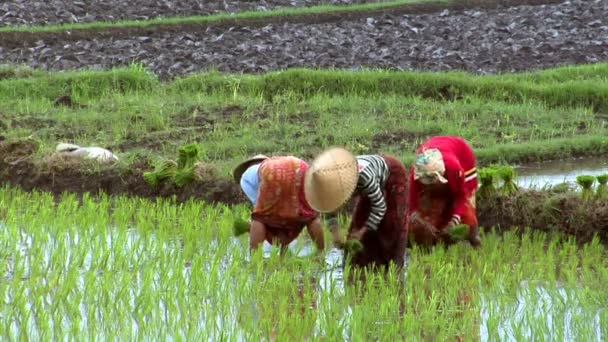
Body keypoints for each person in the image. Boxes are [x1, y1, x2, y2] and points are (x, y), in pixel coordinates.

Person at [304, 147, 408, 271]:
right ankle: (358, 266)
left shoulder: (364, 176)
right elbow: (329, 210)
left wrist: (362, 232)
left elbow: (379, 206)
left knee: (390, 223)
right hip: (366, 184)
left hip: (392, 175)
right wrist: (335, 232)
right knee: (358, 222)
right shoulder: (328, 185)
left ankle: (392, 268)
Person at [233, 154, 325, 254]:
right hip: (301, 167)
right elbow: (284, 216)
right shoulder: (274, 163)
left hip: (272, 173)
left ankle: (255, 258)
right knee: (310, 215)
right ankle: (320, 253)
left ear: (249, 165)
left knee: (260, 218)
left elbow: (262, 212)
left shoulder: (245, 178)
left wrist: (250, 226)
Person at [406, 136, 481, 248]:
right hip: (435, 149)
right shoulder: (417, 173)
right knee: (429, 211)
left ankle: (475, 239)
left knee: (467, 211)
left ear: (441, 176)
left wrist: (454, 221)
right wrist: (421, 222)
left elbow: (461, 197)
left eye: (432, 184)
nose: (428, 188)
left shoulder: (453, 170)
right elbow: (411, 205)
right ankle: (438, 240)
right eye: (426, 184)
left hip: (462, 154)